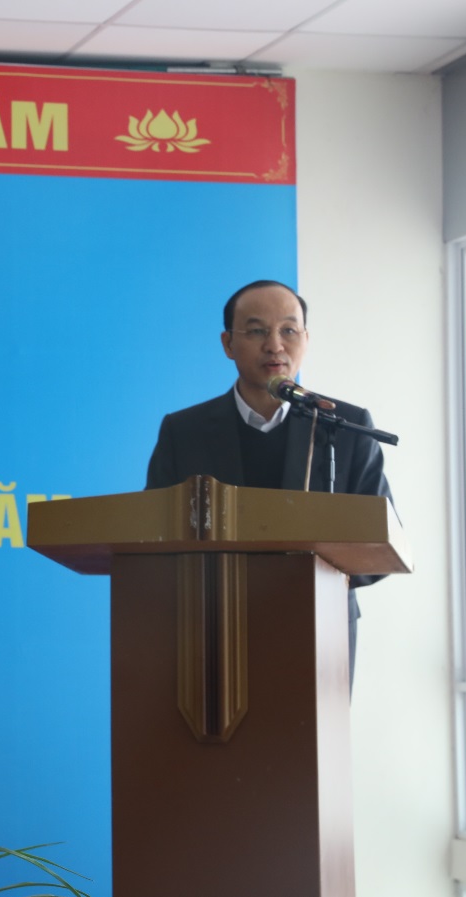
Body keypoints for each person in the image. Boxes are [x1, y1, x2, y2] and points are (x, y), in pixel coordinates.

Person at [144, 279, 393, 683]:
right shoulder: (184, 431)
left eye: (288, 330)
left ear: (306, 339)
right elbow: (153, 536)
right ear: (228, 343)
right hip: (210, 630)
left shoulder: (345, 427)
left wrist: (315, 576)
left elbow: (380, 543)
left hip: (320, 629)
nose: (275, 345)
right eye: (257, 331)